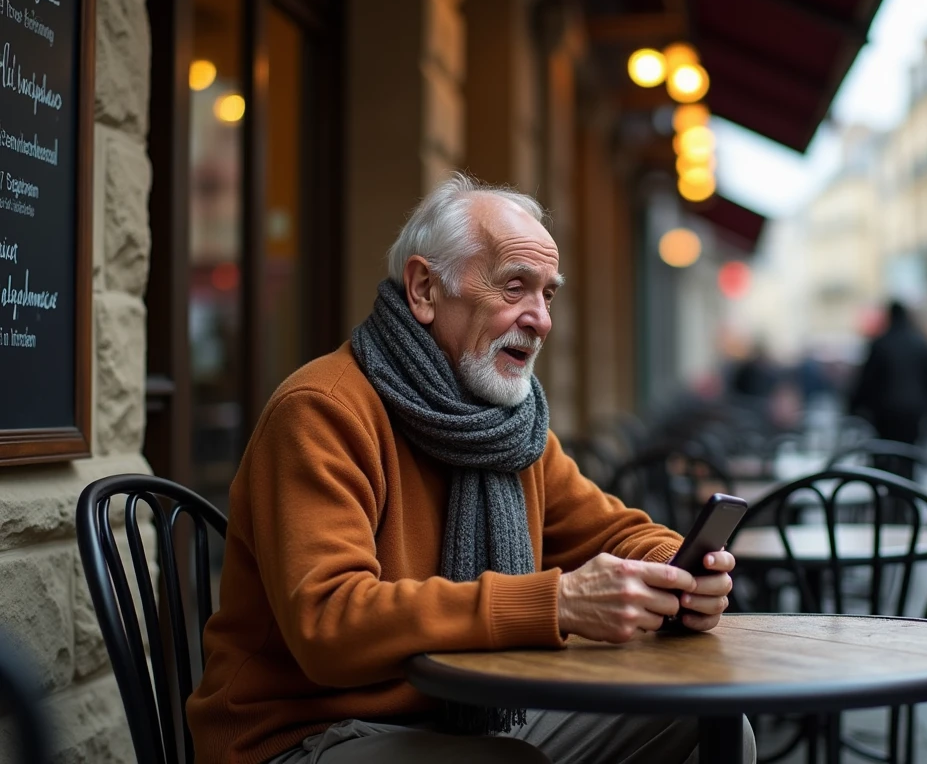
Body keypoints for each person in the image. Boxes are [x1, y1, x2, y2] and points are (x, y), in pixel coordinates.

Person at [186, 174, 753, 764]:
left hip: (459, 715)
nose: (541, 319)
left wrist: (677, 574)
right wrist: (556, 603)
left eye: (548, 295)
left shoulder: (508, 426)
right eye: (515, 287)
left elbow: (614, 531)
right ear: (424, 289)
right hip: (301, 736)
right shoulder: (321, 410)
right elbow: (330, 625)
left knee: (711, 720)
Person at [848, 301, 927, 481]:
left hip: (885, 412)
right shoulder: (920, 343)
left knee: (885, 457)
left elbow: (867, 381)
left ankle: (889, 490)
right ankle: (907, 489)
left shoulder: (881, 344)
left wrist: (855, 406)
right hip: (913, 411)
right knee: (909, 455)